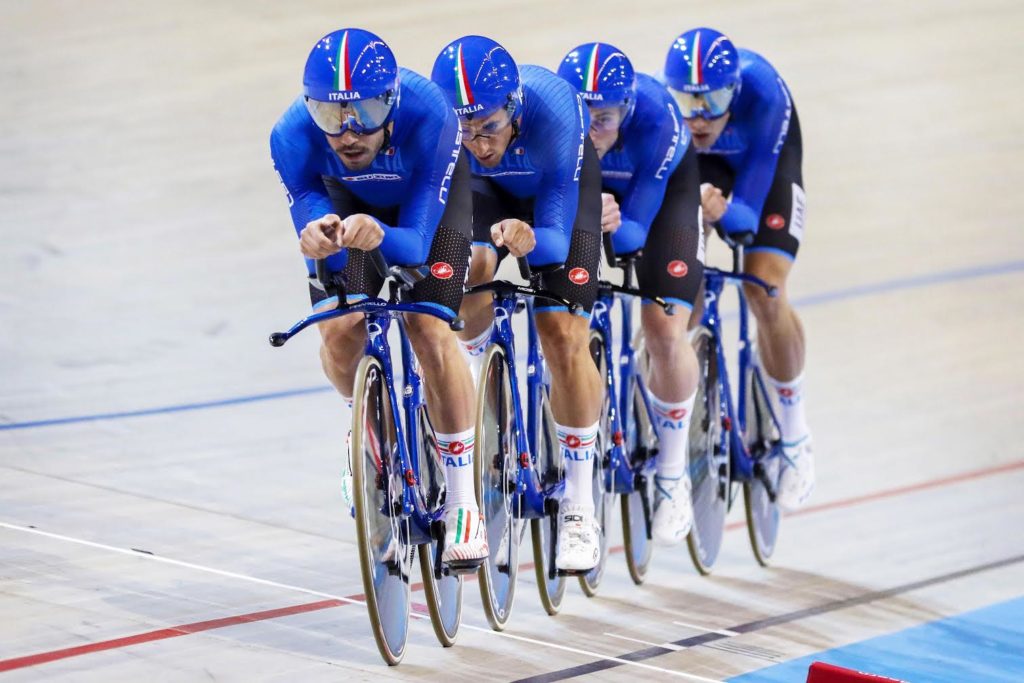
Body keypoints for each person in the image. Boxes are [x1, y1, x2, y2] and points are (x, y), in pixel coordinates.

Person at [270, 28, 487, 565]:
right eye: (330, 116)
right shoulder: (290, 136)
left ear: (390, 102)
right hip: (345, 208)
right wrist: (314, 230)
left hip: (425, 212)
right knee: (339, 329)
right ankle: (364, 433)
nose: (348, 133)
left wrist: (380, 233)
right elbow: (307, 205)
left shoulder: (430, 115)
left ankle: (463, 501)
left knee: (429, 328)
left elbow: (413, 240)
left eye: (363, 111)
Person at [431, 36, 604, 572]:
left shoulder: (554, 115)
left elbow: (555, 233)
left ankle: (578, 500)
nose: (478, 144)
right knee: (473, 267)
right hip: (487, 199)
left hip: (553, 205)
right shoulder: (456, 137)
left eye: (487, 128)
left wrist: (529, 239)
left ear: (515, 108)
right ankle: (483, 362)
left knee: (561, 333)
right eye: (464, 132)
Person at [556, 43, 703, 544]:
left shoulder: (658, 119)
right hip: (598, 201)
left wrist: (613, 222)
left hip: (659, 204)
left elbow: (636, 228)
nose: (594, 132)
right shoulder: (558, 128)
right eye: (584, 118)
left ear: (628, 111)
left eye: (606, 119)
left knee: (662, 326)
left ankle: (673, 472)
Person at [662, 27, 814, 511]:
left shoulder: (765, 95)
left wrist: (723, 212)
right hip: (701, 176)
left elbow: (747, 215)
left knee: (764, 288)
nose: (700, 116)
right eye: (688, 100)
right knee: (677, 292)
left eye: (714, 100)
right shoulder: (673, 120)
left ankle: (794, 435)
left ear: (737, 91)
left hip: (760, 175)